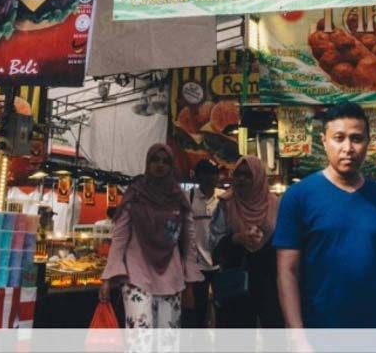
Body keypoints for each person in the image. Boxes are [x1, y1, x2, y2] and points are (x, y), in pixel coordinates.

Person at [272, 102, 376, 329]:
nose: (348, 147)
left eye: (356, 138)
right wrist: (296, 337)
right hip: (319, 331)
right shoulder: (298, 197)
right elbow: (287, 273)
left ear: (368, 143)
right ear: (324, 141)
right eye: (339, 138)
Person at [101, 144, 202, 338]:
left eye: (166, 161)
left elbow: (189, 240)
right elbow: (120, 237)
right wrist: (107, 278)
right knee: (139, 341)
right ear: (148, 163)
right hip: (136, 275)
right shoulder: (135, 194)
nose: (160, 165)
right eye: (155, 160)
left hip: (170, 276)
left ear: (172, 166)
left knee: (167, 342)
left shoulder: (179, 198)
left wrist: (189, 283)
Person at [209, 155, 283, 329]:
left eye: (248, 175)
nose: (241, 179)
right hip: (236, 280)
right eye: (238, 174)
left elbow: (284, 244)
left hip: (269, 280)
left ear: (258, 177)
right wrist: (237, 239)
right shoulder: (226, 204)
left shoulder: (276, 205)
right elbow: (213, 243)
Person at [183, 158, 219, 327]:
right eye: (206, 173)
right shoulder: (189, 197)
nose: (210, 177)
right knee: (198, 310)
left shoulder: (223, 197)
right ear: (198, 177)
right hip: (197, 267)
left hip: (219, 265)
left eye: (213, 172)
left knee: (222, 308)